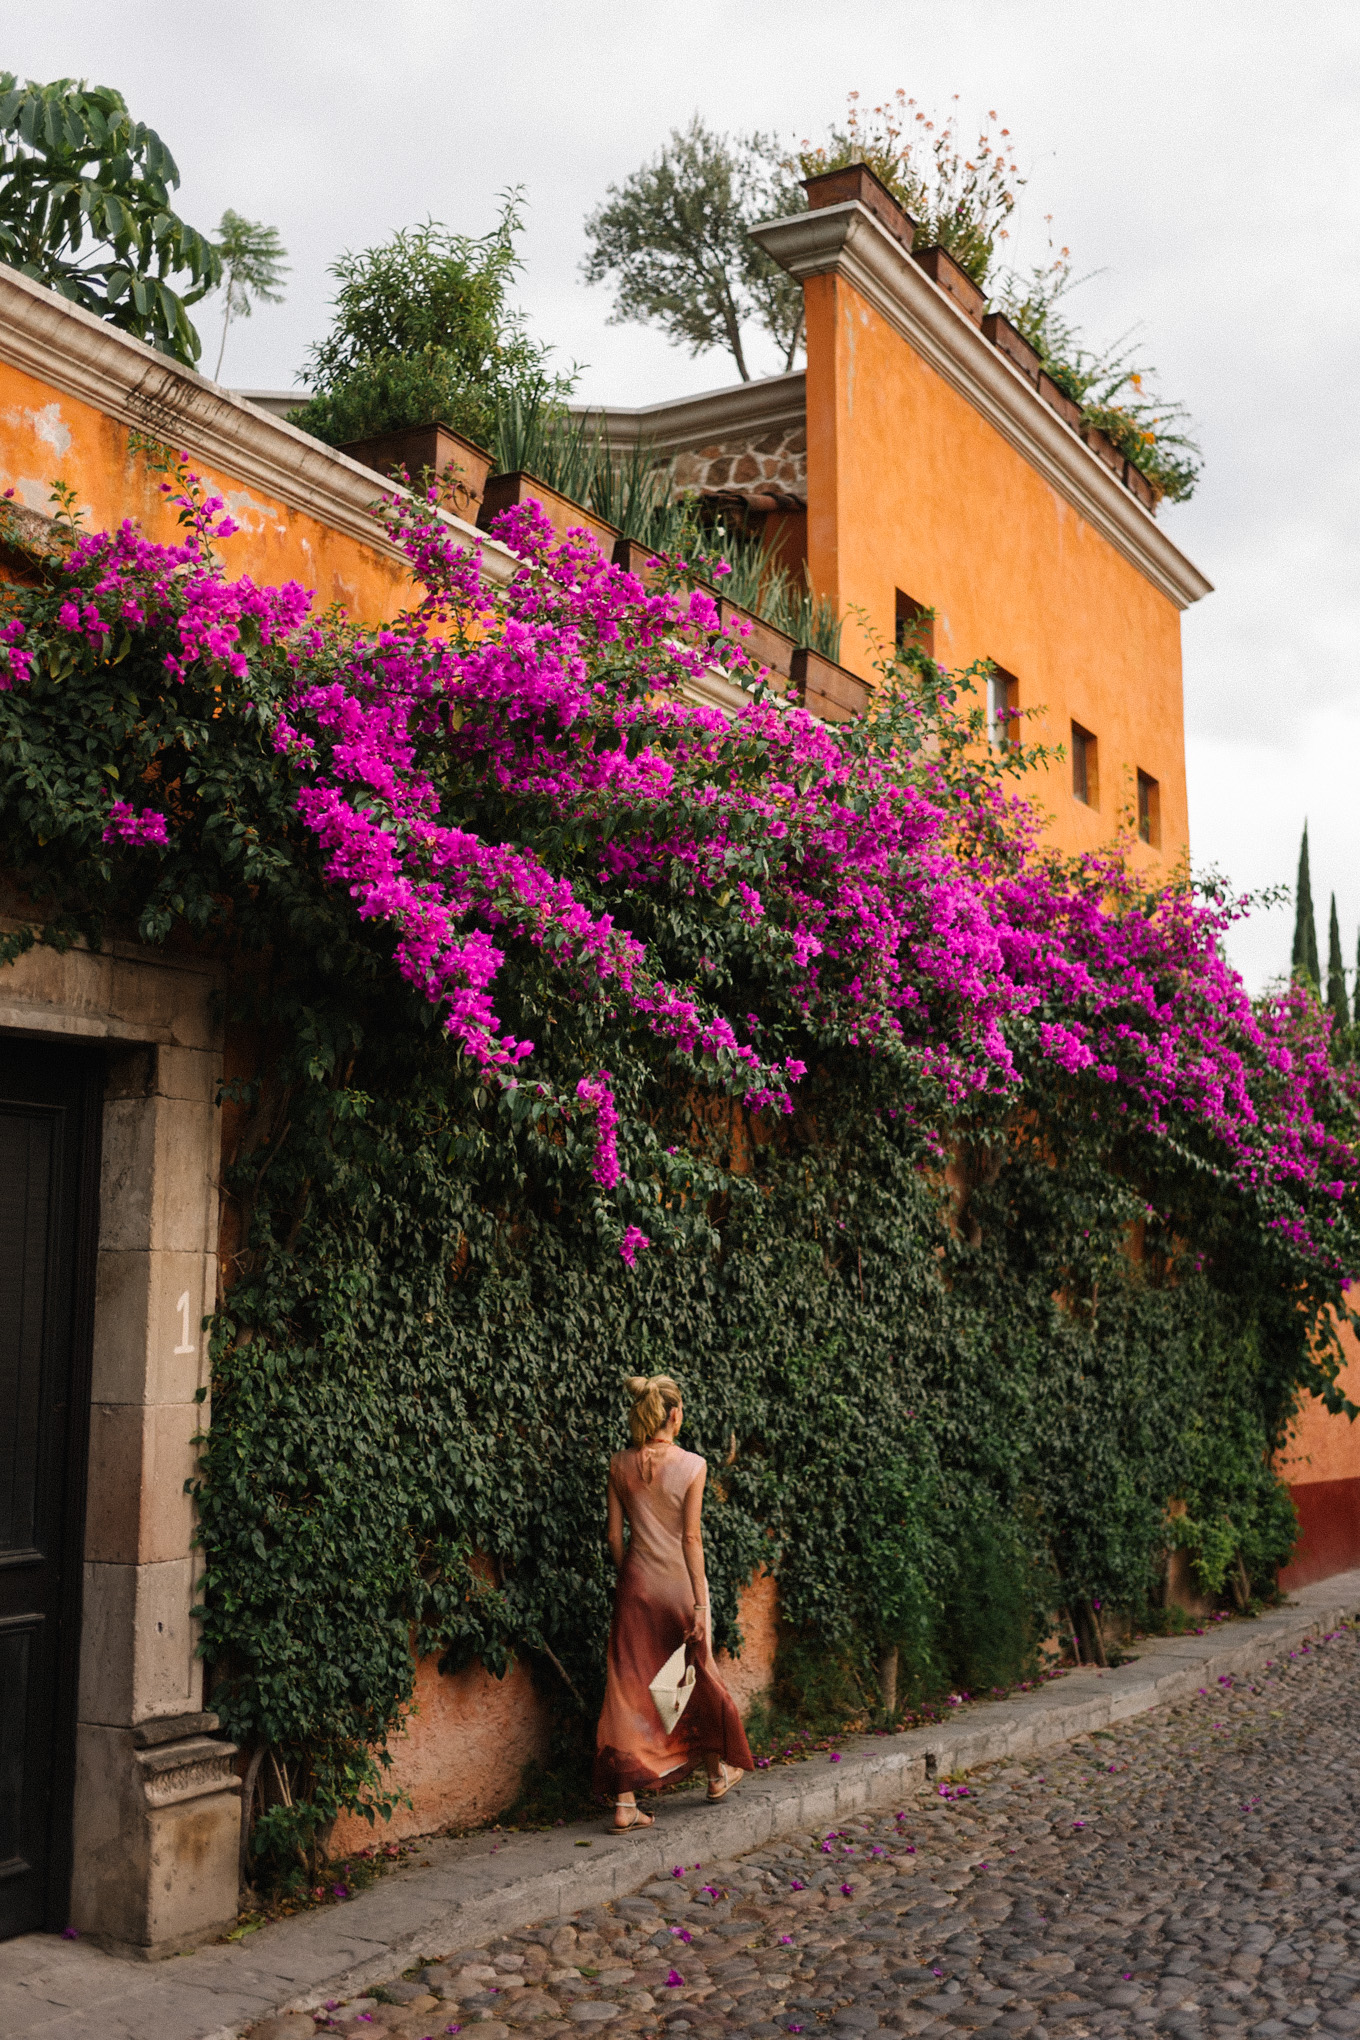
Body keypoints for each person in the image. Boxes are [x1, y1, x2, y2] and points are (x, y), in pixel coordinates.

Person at [594, 1373, 754, 1830]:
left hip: (636, 1586)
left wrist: (630, 1576)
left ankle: (625, 1801)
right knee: (690, 1676)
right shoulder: (693, 1465)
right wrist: (701, 1605)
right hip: (680, 1588)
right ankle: (717, 1774)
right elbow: (691, 1538)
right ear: (676, 1415)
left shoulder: (619, 1464)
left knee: (627, 1688)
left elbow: (613, 1537)